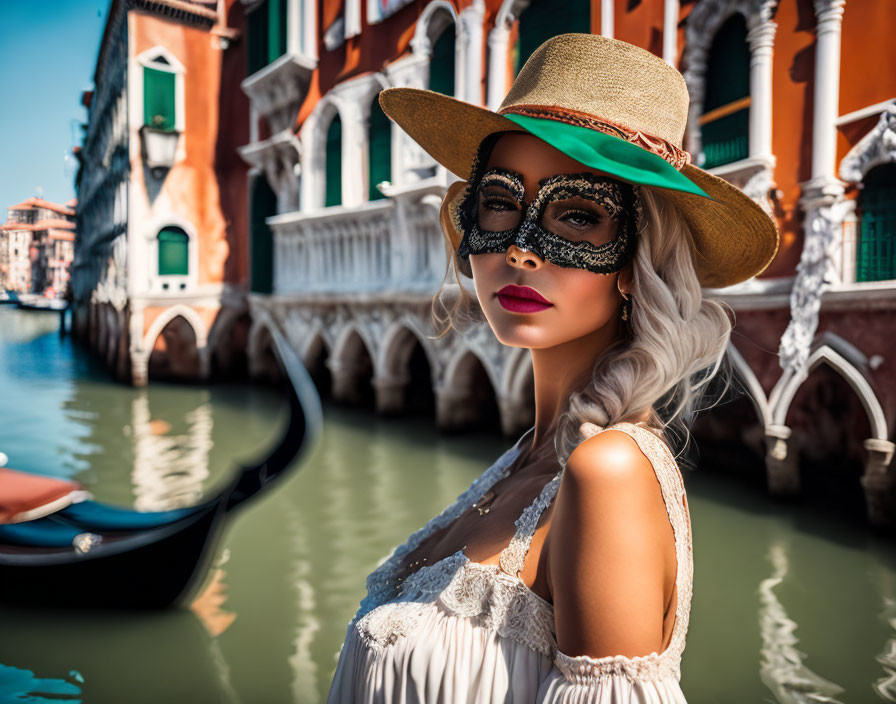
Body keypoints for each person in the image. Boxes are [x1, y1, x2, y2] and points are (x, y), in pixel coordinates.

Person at [327, 33, 778, 703]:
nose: (521, 251)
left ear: (635, 263)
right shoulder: (526, 460)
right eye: (501, 203)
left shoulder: (609, 472)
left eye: (576, 216)